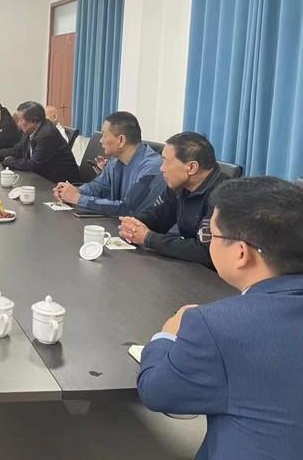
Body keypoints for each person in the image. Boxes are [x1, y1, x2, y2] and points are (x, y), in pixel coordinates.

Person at [137, 177, 303, 460]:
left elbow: (156, 392)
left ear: (241, 253)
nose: (208, 242)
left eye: (210, 235)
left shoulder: (216, 325)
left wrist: (167, 335)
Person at [119, 132, 229, 268]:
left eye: (166, 162)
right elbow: (158, 216)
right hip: (190, 267)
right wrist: (134, 225)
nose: (161, 168)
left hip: (213, 275)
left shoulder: (224, 197)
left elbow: (206, 252)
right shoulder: (179, 186)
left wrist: (149, 238)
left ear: (191, 168)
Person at [53, 112, 164, 216]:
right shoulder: (115, 160)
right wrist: (74, 191)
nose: (101, 140)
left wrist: (77, 199)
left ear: (121, 140)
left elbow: (128, 209)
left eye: (104, 135)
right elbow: (97, 187)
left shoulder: (151, 167)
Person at [1, 103, 80, 183]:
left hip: (61, 182)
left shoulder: (47, 134)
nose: (19, 124)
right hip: (43, 177)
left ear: (33, 121)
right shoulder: (31, 130)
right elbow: (16, 150)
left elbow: (34, 164)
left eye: (21, 120)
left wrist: (10, 162)